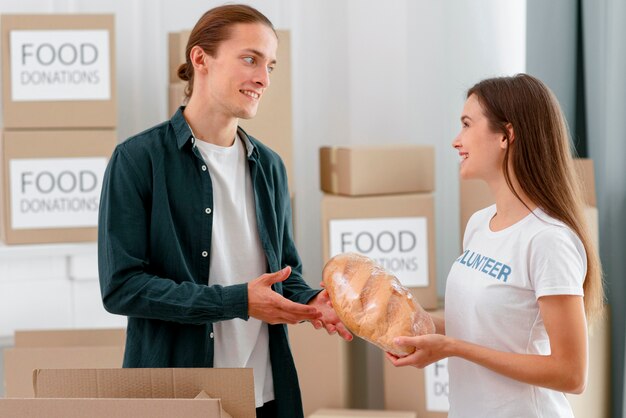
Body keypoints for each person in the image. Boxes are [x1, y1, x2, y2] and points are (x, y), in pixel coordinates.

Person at [98, 5, 351, 418]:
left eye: (270, 65)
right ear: (200, 59)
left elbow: (284, 270)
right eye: (250, 59)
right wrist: (237, 301)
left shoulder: (269, 165)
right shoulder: (137, 159)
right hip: (180, 395)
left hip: (265, 391)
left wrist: (312, 300)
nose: (263, 79)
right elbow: (122, 287)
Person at [386, 74, 603, 417]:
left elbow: (571, 374)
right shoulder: (478, 225)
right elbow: (479, 326)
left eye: (467, 124)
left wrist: (454, 348)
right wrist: (407, 323)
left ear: (506, 135)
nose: (456, 140)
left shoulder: (548, 239)